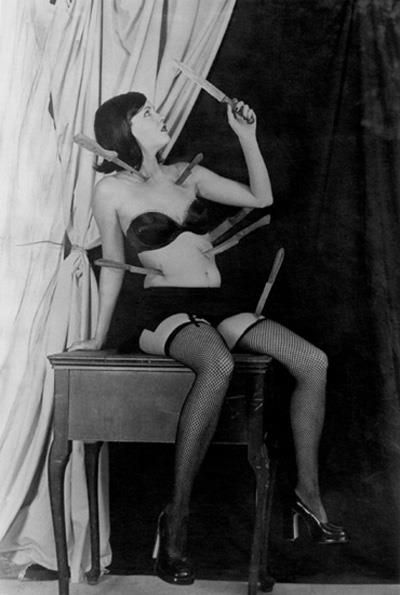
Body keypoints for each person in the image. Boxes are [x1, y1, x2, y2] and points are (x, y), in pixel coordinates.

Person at [69, 91, 348, 586]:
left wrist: (247, 137)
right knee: (218, 364)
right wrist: (98, 336)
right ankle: (176, 518)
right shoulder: (111, 190)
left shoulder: (188, 174)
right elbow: (112, 266)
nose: (159, 116)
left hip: (218, 306)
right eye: (146, 113)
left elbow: (261, 199)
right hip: (161, 311)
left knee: (312, 361)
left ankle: (307, 495)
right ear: (123, 129)